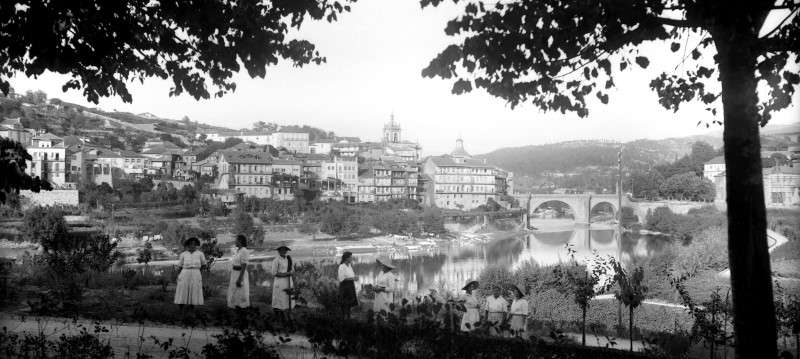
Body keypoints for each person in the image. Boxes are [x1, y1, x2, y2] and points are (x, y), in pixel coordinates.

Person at [174, 237, 206, 310]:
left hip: (196, 273)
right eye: (191, 244)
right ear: (187, 245)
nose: (193, 246)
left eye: (194, 244)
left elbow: (204, 265)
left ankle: (192, 308)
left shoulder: (200, 254)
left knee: (194, 289)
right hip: (185, 273)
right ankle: (181, 307)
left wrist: (199, 273)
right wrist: (178, 276)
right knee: (183, 289)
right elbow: (179, 266)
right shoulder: (183, 254)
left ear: (196, 245)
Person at [271, 245, 294, 328]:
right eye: (281, 250)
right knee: (279, 300)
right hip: (280, 283)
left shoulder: (289, 259)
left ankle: (288, 320)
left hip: (288, 282)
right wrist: (285, 274)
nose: (283, 251)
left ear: (286, 251)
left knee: (287, 300)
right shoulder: (276, 260)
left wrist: (290, 273)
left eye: (285, 250)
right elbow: (274, 273)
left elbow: (292, 270)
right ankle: (278, 320)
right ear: (279, 251)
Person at [227, 234, 250, 308]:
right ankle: (235, 306)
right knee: (234, 290)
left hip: (240, 273)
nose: (235, 242)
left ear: (240, 241)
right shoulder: (237, 250)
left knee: (240, 290)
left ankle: (241, 308)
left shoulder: (244, 251)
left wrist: (240, 279)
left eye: (236, 240)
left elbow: (244, 265)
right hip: (234, 273)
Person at [337, 251, 358, 318]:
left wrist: (355, 278)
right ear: (346, 258)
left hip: (350, 286)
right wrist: (353, 278)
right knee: (345, 303)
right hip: (345, 287)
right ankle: (344, 317)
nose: (352, 259)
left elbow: (351, 275)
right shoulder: (342, 266)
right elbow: (341, 279)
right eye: (351, 257)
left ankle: (348, 317)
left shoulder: (349, 266)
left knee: (349, 303)